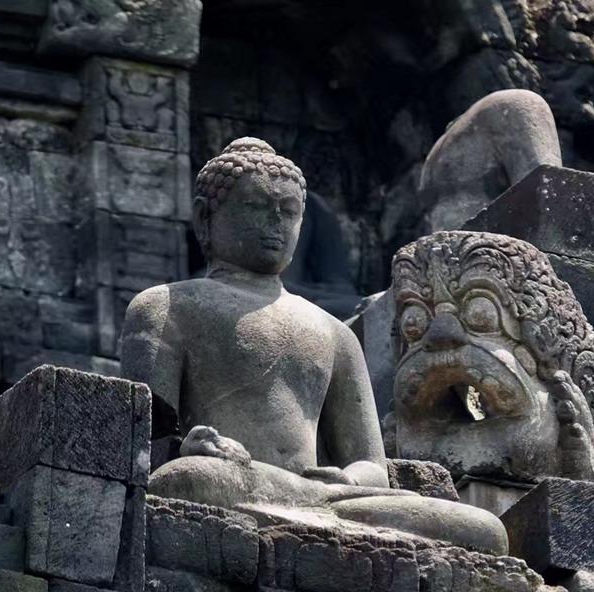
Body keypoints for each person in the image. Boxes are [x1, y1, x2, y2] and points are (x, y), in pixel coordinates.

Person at [120, 137, 507, 555]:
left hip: (323, 496)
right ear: (204, 218)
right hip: (233, 478)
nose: (275, 222)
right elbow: (145, 447)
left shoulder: (335, 333)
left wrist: (350, 480)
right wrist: (191, 447)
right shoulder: (166, 306)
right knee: (188, 479)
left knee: (485, 529)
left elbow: (372, 466)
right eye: (255, 206)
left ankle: (312, 514)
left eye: (287, 211)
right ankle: (312, 516)